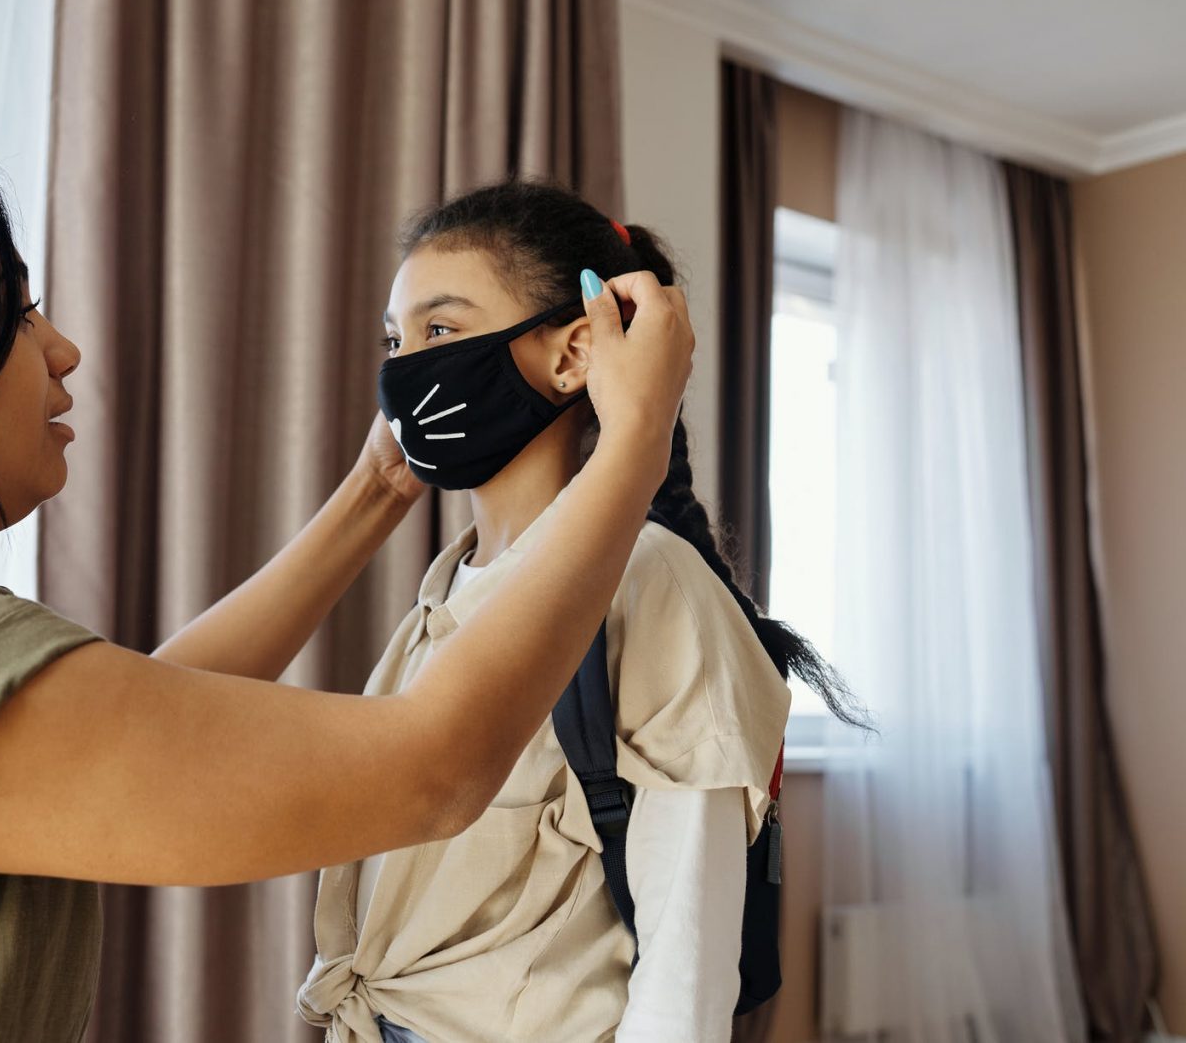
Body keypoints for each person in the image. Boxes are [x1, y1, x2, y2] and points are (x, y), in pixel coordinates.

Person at [0, 138, 692, 1039]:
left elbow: (147, 712)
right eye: (18, 314)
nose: (63, 351)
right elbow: (433, 771)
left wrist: (373, 491)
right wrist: (634, 441)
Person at [297, 182, 870, 1043]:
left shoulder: (653, 584)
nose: (404, 369)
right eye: (395, 339)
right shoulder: (444, 593)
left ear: (572, 355)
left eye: (439, 331)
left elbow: (683, 976)